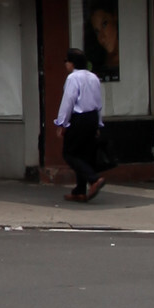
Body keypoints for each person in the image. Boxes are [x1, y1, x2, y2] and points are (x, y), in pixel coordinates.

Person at [54, 47, 107, 201]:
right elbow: (98, 102)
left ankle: (93, 179)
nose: (65, 64)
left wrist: (62, 123)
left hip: (79, 118)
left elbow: (68, 102)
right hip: (91, 118)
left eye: (66, 61)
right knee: (83, 154)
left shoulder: (73, 78)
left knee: (69, 153)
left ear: (72, 63)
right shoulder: (94, 78)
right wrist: (98, 123)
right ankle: (80, 190)